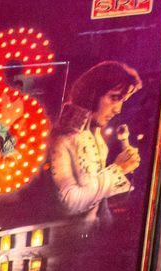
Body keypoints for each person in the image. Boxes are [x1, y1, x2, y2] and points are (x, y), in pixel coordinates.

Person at [50, 61, 144, 232]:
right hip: (69, 245)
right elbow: (69, 201)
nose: (118, 110)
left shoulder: (97, 138)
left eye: (122, 100)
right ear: (92, 94)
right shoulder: (64, 137)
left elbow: (99, 205)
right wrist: (118, 169)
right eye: (114, 98)